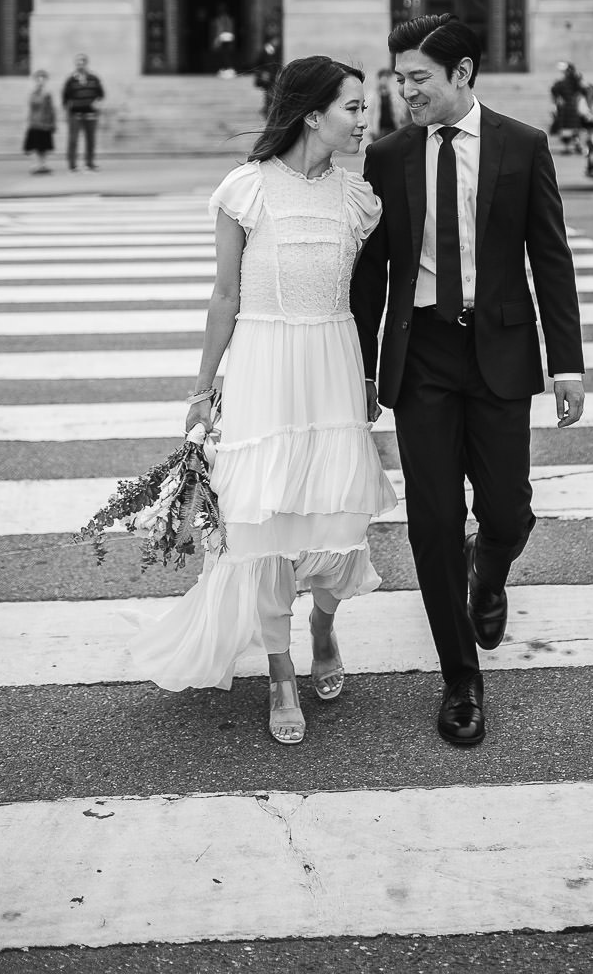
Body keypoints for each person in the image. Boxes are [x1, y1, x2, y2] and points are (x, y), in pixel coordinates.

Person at [133, 56, 396, 746]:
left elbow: (368, 299)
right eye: (354, 107)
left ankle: (324, 624)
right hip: (263, 367)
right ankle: (281, 673)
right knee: (266, 534)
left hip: (333, 364)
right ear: (313, 115)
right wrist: (200, 388)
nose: (365, 119)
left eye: (366, 108)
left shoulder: (358, 197)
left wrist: (371, 375)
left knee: (341, 529)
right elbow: (225, 296)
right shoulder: (245, 191)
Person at [351, 15, 585, 749]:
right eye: (398, 76)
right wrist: (362, 366)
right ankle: (460, 679)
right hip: (421, 357)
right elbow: (371, 275)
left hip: (500, 354)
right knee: (430, 521)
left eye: (418, 76)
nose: (404, 89)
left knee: (508, 510)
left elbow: (551, 258)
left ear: (462, 74)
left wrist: (567, 362)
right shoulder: (388, 156)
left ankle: (491, 568)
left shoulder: (522, 146)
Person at [61, 54, 104, 170]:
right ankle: (72, 165)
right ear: (76, 64)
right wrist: (66, 112)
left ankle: (89, 163)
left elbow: (101, 94)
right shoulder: (71, 80)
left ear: (86, 63)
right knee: (73, 140)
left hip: (91, 114)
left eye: (82, 62)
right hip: (75, 114)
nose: (80, 65)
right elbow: (65, 97)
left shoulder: (94, 78)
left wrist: (97, 104)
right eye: (78, 63)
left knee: (91, 139)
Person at [23, 70, 56, 174]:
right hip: (35, 122)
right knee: (36, 145)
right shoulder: (33, 93)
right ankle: (36, 165)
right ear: (36, 81)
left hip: (45, 123)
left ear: (45, 81)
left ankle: (43, 164)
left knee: (44, 145)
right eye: (38, 79)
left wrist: (53, 123)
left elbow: (51, 109)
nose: (40, 82)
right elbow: (32, 106)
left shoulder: (48, 94)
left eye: (43, 79)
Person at [212, 5, 237, 74]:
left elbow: (222, 29)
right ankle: (225, 68)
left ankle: (228, 68)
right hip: (226, 37)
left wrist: (217, 38)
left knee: (225, 54)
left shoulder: (224, 18)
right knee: (224, 54)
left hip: (224, 38)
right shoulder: (226, 18)